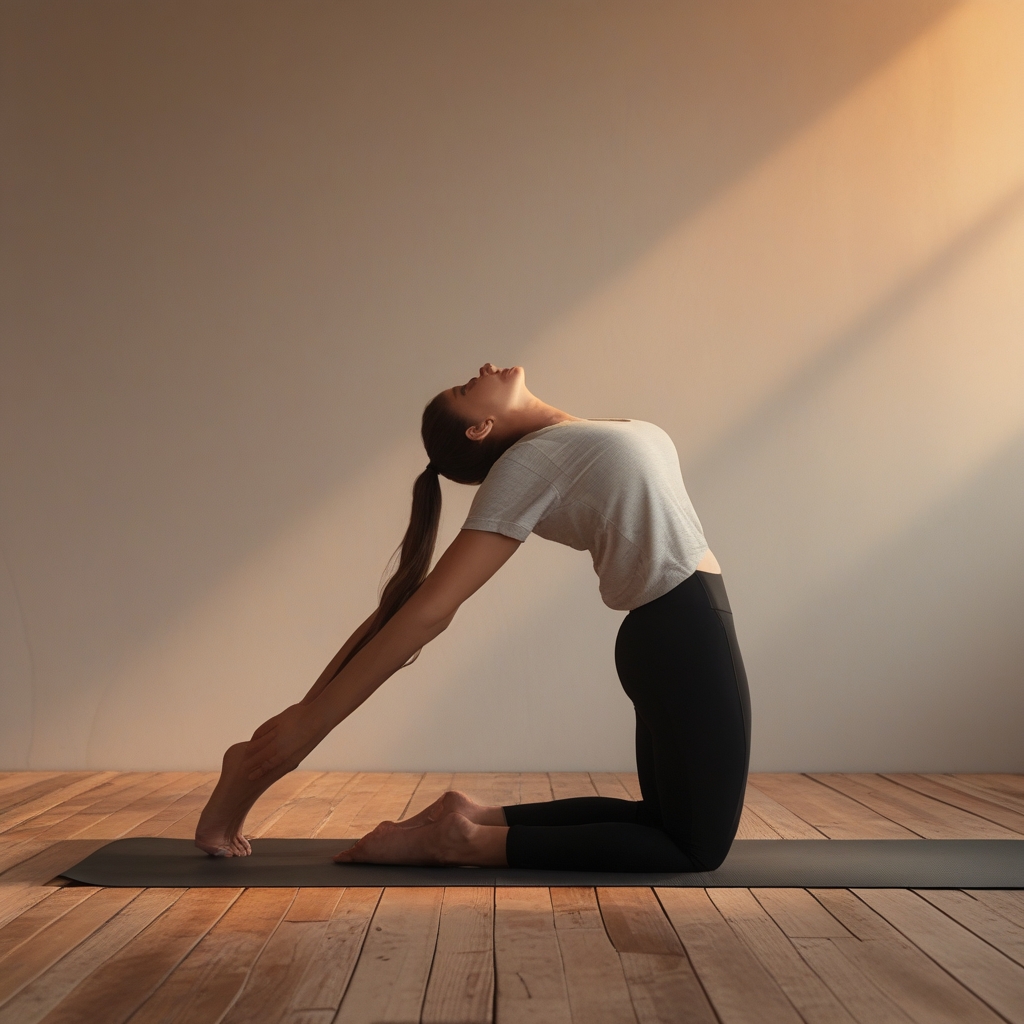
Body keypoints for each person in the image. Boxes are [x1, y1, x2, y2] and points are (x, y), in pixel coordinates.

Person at [195, 364, 750, 871]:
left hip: (677, 629)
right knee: (694, 848)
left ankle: (471, 817)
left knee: (664, 822)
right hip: (680, 629)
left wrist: (306, 715)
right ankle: (459, 841)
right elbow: (431, 608)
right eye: (466, 389)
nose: (481, 371)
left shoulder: (566, 441)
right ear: (481, 427)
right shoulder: (529, 461)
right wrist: (306, 727)